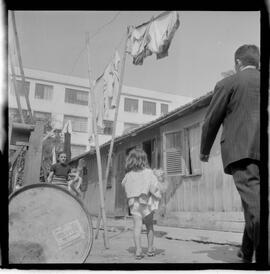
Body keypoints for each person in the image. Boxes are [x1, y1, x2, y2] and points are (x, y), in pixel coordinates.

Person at [200, 45, 260, 263]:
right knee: (253, 200)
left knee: (256, 204)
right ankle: (246, 251)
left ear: (238, 63)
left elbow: (212, 120)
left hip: (242, 150)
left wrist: (205, 151)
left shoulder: (229, 83)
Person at [121, 148, 162, 260]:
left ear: (131, 160)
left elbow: (123, 185)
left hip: (134, 204)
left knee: (137, 227)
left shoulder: (128, 175)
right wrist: (158, 194)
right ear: (144, 159)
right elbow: (154, 188)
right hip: (146, 203)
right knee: (149, 226)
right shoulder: (149, 173)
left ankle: (138, 250)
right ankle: (150, 249)